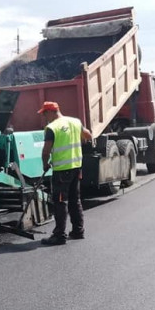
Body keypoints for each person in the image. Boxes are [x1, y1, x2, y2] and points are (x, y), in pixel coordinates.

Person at [38, 101, 92, 246]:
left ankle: (59, 235)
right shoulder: (75, 122)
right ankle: (78, 231)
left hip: (62, 171)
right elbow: (88, 135)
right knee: (75, 200)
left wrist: (45, 163)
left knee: (60, 202)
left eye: (44, 113)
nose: (44, 117)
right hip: (76, 167)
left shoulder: (52, 128)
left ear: (51, 112)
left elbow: (46, 150)